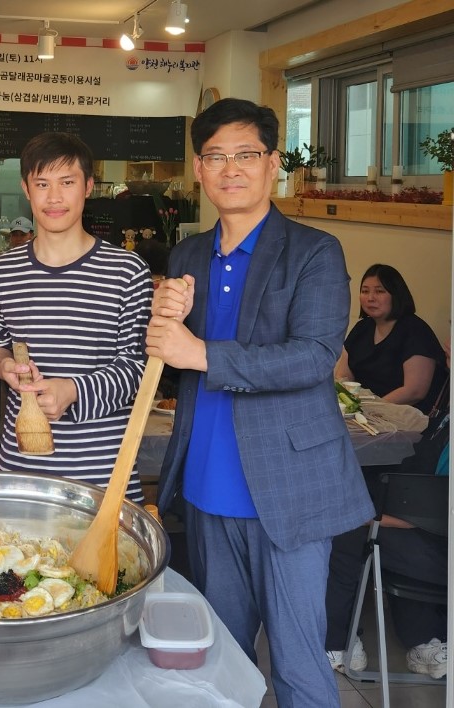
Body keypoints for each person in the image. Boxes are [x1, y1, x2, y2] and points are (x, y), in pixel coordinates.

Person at [145, 97, 374, 708]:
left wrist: (202, 353)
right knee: (223, 662)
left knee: (299, 666)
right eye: (216, 157)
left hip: (290, 490)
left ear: (273, 163)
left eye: (246, 154)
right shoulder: (189, 255)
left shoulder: (314, 252)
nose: (231, 169)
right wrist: (162, 333)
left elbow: (315, 356)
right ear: (199, 169)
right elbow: (172, 359)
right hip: (207, 487)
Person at [0, 132, 152, 501]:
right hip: (22, 469)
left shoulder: (128, 271)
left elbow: (139, 370)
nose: (54, 197)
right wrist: (4, 367)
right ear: (27, 188)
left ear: (88, 186)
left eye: (67, 182)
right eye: (42, 183)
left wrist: (71, 391)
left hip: (104, 472)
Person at [325, 341, 450, 680]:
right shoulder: (446, 402)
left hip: (441, 543)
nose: (447, 345)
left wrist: (375, 517)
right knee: (355, 513)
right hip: (427, 523)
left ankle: (339, 642)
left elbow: (442, 510)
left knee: (345, 530)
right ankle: (425, 641)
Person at [335, 263, 446, 414]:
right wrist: (348, 403)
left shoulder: (415, 331)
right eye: (365, 291)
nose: (370, 298)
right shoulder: (362, 328)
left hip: (402, 416)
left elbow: (415, 391)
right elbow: (343, 375)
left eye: (379, 291)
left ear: (397, 295)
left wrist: (369, 410)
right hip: (362, 412)